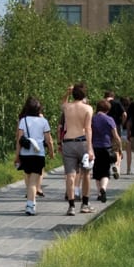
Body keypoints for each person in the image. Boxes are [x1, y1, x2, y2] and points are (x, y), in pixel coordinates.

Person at [14, 96, 54, 216]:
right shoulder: (43, 121)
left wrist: (17, 156)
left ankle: (32, 201)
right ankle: (30, 205)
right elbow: (49, 140)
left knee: (29, 179)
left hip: (25, 154)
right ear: (39, 109)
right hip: (38, 154)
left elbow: (19, 140)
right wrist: (52, 152)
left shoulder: (23, 121)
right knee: (33, 182)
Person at [59, 83, 94, 215]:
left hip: (68, 142)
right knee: (86, 174)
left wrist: (67, 93)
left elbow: (62, 102)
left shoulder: (67, 107)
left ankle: (71, 205)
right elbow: (88, 129)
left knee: (70, 175)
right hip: (82, 142)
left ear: (73, 94)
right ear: (84, 95)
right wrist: (90, 148)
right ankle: (85, 204)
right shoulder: (88, 109)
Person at [90, 101, 120, 204]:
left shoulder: (92, 119)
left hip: (94, 148)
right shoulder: (109, 119)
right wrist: (119, 147)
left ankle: (99, 193)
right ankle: (103, 188)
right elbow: (115, 135)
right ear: (107, 109)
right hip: (106, 147)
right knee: (105, 171)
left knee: (97, 172)